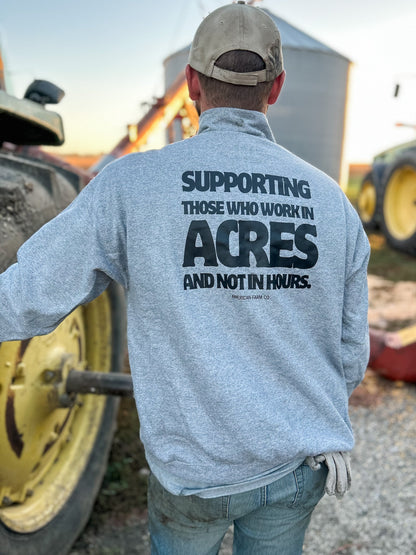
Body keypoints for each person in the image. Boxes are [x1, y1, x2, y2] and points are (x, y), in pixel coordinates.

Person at [0, 2, 370, 553]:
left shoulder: (131, 185)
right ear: (277, 87)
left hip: (192, 474)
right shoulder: (331, 202)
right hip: (296, 468)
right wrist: (294, 419)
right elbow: (349, 353)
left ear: (192, 83)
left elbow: (28, 294)